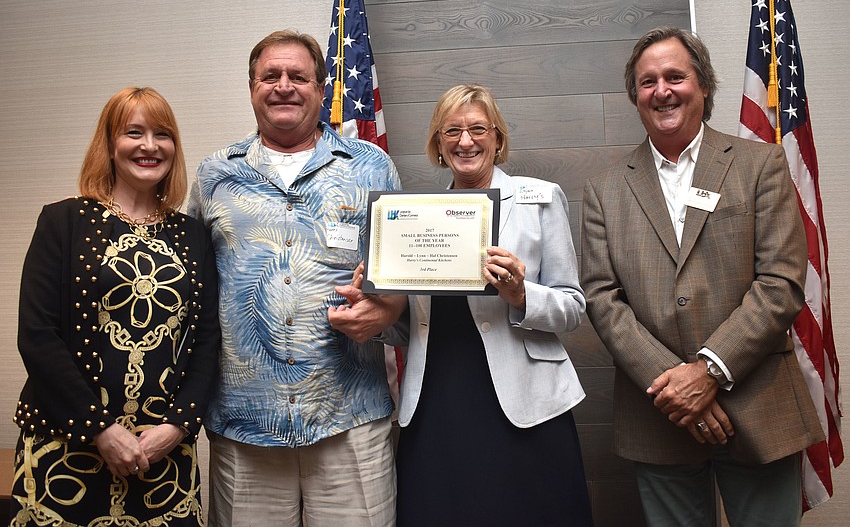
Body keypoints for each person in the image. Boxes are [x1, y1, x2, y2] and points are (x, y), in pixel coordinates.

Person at [581, 27, 824, 526]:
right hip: (658, 416)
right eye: (648, 82)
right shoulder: (604, 189)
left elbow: (781, 282)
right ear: (635, 97)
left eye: (675, 76)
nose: (662, 90)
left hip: (757, 406)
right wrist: (673, 388)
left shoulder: (761, 165)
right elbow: (602, 299)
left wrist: (708, 372)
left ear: (704, 85)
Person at [337, 83, 592, 526]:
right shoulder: (413, 216)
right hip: (437, 400)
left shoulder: (540, 198)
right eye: (451, 131)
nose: (465, 141)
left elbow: (573, 307)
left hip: (523, 402)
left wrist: (521, 294)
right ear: (438, 143)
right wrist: (376, 310)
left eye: (477, 129)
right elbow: (404, 326)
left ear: (498, 137)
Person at [188, 30, 404, 527]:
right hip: (245, 425)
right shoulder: (214, 175)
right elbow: (192, 292)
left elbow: (401, 278)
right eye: (270, 76)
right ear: (252, 88)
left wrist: (387, 308)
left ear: (321, 87)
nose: (284, 86)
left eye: (298, 76)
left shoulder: (371, 167)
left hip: (349, 419)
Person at [9, 87, 221, 525]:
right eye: (134, 133)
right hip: (67, 448)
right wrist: (100, 430)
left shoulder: (193, 235)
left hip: (162, 455)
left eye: (163, 134)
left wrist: (178, 426)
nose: (149, 146)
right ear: (108, 144)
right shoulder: (62, 222)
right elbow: (37, 336)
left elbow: (206, 341)